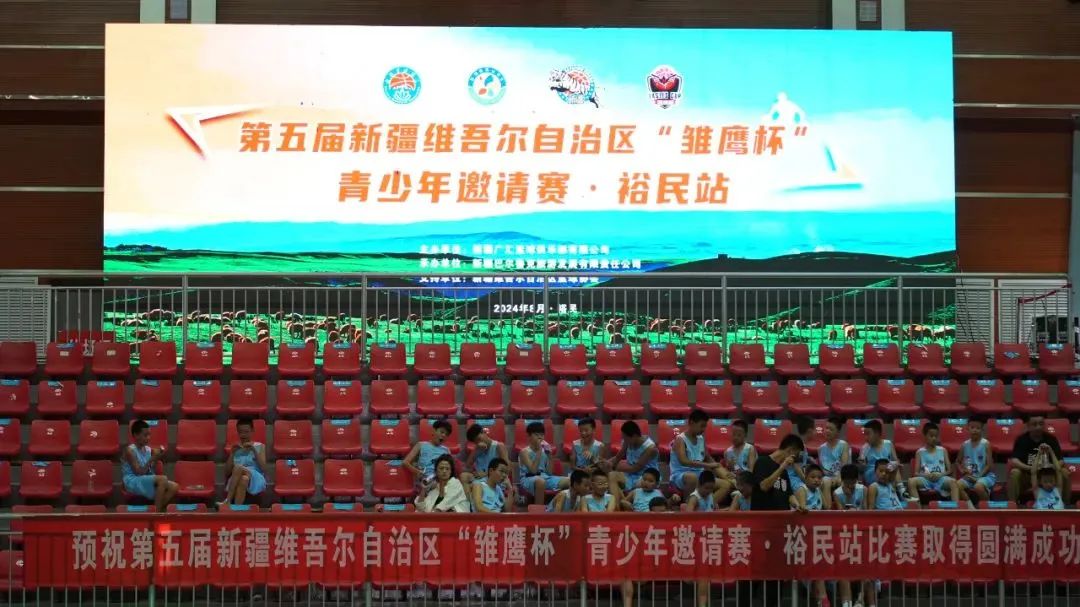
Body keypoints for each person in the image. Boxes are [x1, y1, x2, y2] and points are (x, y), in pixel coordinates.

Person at [670, 409, 733, 499]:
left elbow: (708, 458)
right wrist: (707, 465)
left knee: (726, 484)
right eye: (702, 426)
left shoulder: (701, 438)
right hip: (681, 475)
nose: (703, 429)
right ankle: (688, 503)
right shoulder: (680, 439)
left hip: (699, 474)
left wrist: (720, 468)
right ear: (691, 423)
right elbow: (684, 461)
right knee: (692, 477)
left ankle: (707, 505)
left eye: (705, 427)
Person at [1008, 415, 1068, 503]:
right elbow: (1014, 461)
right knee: (1015, 473)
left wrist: (1052, 466)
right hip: (1028, 474)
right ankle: (1012, 504)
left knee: (1064, 472)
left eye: (1041, 424)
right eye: (1034, 424)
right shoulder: (1021, 440)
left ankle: (1064, 504)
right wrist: (1031, 468)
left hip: (1048, 476)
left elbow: (1061, 460)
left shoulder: (1051, 439)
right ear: (1028, 426)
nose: (1038, 427)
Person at [122, 419, 177, 511]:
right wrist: (152, 458)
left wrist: (157, 457)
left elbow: (149, 470)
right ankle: (156, 514)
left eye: (149, 435)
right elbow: (139, 472)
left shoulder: (148, 449)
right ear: (136, 435)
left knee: (174, 486)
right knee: (162, 479)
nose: (148, 438)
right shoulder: (130, 450)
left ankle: (154, 510)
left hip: (144, 477)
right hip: (132, 480)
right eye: (145, 435)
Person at [832, 464, 866, 607]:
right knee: (843, 565)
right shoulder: (837, 493)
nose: (851, 485)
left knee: (866, 566)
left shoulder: (863, 489)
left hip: (862, 532)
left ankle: (861, 599)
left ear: (857, 479)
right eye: (847, 482)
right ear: (842, 480)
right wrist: (847, 497)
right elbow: (841, 516)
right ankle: (847, 602)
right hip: (845, 534)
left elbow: (867, 511)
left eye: (853, 482)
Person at [607, 420, 660, 502]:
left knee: (642, 484)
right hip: (630, 475)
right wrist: (607, 463)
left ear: (634, 436)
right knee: (611, 475)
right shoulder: (628, 441)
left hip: (645, 477)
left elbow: (635, 468)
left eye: (625, 438)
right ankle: (617, 506)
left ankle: (623, 502)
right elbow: (618, 457)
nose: (624, 440)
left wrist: (614, 467)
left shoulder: (650, 448)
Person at [519, 421, 569, 505]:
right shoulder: (524, 452)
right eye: (536, 435)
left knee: (569, 481)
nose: (540, 438)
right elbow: (533, 471)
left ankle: (561, 507)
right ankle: (539, 510)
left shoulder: (544, 452)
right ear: (529, 436)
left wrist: (550, 456)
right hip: (528, 478)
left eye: (542, 435)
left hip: (544, 477)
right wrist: (539, 451)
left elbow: (549, 472)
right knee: (540, 482)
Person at [221, 418, 268, 507]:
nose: (243, 435)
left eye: (246, 432)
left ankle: (228, 500)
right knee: (244, 479)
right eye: (241, 432)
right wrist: (232, 454)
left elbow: (264, 468)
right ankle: (237, 510)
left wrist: (254, 450)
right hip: (237, 477)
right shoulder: (236, 448)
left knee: (238, 467)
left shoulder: (260, 446)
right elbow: (227, 472)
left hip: (256, 477)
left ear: (252, 431)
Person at [751, 433, 805, 511]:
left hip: (782, 516)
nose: (794, 460)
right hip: (764, 516)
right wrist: (782, 466)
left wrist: (797, 505)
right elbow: (764, 486)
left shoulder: (784, 471)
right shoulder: (762, 462)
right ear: (790, 450)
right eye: (795, 456)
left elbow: (789, 494)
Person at [909, 422, 961, 502]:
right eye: (931, 436)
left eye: (936, 436)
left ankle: (956, 508)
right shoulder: (919, 452)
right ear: (925, 436)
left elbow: (950, 470)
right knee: (911, 482)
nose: (934, 438)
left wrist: (940, 475)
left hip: (941, 478)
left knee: (953, 482)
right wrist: (926, 476)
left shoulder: (943, 450)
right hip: (926, 480)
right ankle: (917, 507)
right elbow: (916, 473)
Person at [954, 417, 996, 504]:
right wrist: (962, 471)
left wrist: (978, 477)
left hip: (984, 476)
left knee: (978, 487)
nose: (975, 430)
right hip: (970, 477)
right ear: (968, 428)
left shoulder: (986, 444)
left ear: (982, 429)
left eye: (978, 428)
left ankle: (987, 508)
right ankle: (971, 507)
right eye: (972, 427)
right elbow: (957, 461)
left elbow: (989, 465)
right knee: (957, 485)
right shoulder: (964, 445)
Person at [858, 420, 904, 496]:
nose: (866, 438)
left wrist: (896, 464)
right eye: (864, 434)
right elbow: (861, 470)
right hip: (872, 474)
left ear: (877, 433)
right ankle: (898, 492)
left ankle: (902, 491)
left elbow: (895, 460)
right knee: (884, 470)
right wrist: (862, 465)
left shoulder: (888, 444)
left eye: (868, 434)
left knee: (894, 465)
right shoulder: (864, 448)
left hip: (886, 472)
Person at [403, 419, 453, 485]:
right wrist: (416, 471)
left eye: (446, 434)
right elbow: (405, 462)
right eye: (442, 432)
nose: (444, 435)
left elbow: (450, 469)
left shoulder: (446, 450)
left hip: (440, 480)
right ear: (434, 431)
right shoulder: (421, 445)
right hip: (425, 480)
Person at [817, 417, 850, 497]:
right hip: (827, 478)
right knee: (825, 481)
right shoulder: (820, 448)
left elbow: (845, 467)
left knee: (841, 482)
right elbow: (822, 470)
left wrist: (837, 477)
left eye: (831, 429)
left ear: (837, 432)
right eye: (826, 428)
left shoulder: (843, 445)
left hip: (842, 475)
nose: (827, 431)